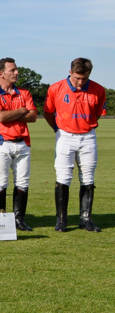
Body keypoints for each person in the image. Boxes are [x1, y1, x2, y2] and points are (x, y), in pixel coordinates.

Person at [44, 57, 107, 232]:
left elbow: (97, 113)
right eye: (77, 78)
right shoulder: (55, 88)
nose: (80, 82)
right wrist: (58, 130)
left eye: (84, 78)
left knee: (88, 178)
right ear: (70, 72)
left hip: (88, 136)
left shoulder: (98, 90)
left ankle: (86, 219)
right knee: (63, 177)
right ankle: (61, 220)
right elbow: (48, 112)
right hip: (65, 136)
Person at [0, 57, 36, 230]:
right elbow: (0, 117)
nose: (16, 73)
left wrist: (10, 113)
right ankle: (0, 220)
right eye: (12, 70)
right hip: (1, 143)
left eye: (16, 69)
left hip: (23, 143)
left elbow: (33, 116)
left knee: (22, 182)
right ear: (1, 73)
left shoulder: (24, 92)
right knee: (1, 182)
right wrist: (22, 111)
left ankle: (19, 220)